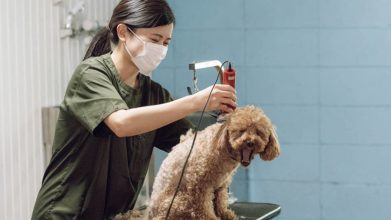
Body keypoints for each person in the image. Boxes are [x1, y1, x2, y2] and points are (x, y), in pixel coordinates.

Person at [31, 0, 236, 219]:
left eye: (166, 42)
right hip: (64, 214)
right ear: (123, 32)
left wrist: (235, 137)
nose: (161, 50)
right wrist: (196, 101)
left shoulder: (153, 94)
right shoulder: (90, 74)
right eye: (155, 40)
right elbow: (121, 123)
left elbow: (193, 149)